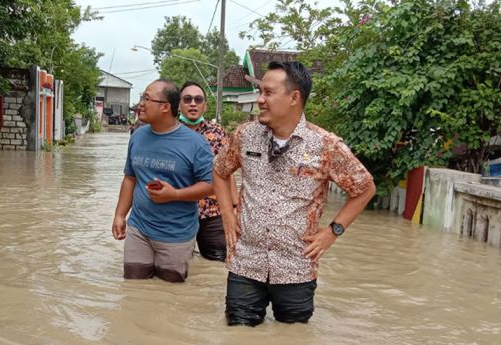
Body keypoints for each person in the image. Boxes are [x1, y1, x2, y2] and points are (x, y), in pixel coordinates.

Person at [212, 61, 376, 326]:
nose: (260, 99)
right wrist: (227, 216)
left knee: (294, 342)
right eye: (260, 92)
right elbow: (220, 171)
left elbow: (365, 188)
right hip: (245, 262)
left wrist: (332, 232)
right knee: (237, 341)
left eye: (268, 92)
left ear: (294, 97)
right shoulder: (246, 135)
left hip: (296, 267)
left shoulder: (325, 145)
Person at [112, 79, 214, 283]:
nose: (141, 103)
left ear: (166, 107)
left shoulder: (196, 143)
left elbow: (210, 185)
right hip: (139, 228)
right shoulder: (138, 136)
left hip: (176, 234)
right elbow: (130, 178)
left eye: (147, 99)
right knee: (134, 289)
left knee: (170, 296)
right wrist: (120, 215)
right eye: (142, 97)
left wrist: (174, 194)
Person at [178, 81, 238, 262]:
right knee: (176, 263)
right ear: (178, 104)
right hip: (177, 208)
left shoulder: (217, 132)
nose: (193, 104)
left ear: (205, 105)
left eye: (198, 99)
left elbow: (228, 172)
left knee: (217, 262)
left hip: (212, 210)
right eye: (187, 99)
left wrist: (235, 207)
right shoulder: (169, 132)